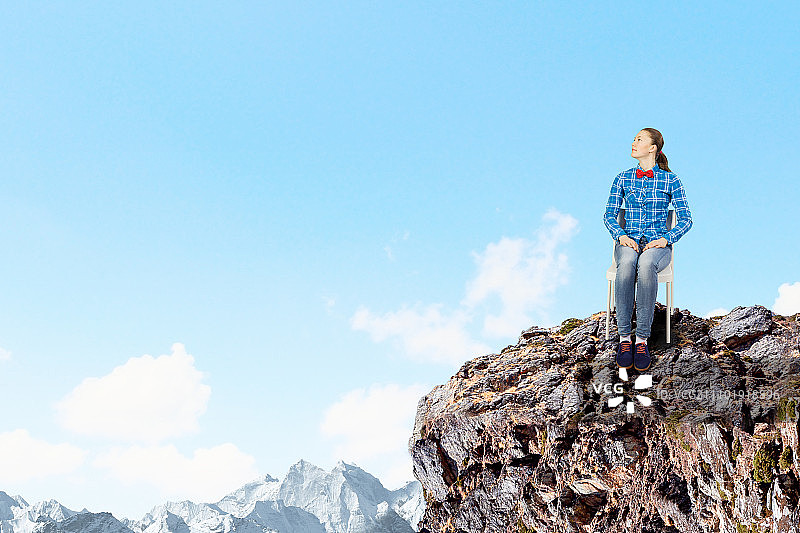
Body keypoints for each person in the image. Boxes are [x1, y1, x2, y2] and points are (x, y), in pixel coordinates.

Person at [603, 128, 692, 371]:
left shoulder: (671, 180)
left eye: (639, 139)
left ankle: (641, 339)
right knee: (628, 264)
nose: (633, 143)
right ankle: (624, 339)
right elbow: (609, 215)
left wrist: (666, 239)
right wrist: (620, 235)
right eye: (634, 139)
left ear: (653, 148)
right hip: (627, 241)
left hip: (657, 245)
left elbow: (686, 219)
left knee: (645, 264)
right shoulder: (622, 178)